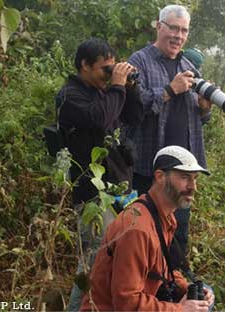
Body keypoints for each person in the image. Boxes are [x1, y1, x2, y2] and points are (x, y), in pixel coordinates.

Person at [56, 38, 143, 311]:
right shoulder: (71, 95)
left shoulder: (103, 92)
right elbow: (100, 120)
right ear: (84, 65)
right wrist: (116, 85)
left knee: (119, 257)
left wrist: (129, 87)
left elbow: (134, 117)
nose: (109, 74)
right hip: (93, 196)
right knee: (94, 261)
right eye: (105, 69)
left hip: (119, 189)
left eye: (112, 68)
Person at [127, 4, 212, 263]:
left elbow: (199, 118)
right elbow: (132, 108)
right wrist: (169, 90)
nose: (178, 35)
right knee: (143, 228)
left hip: (184, 168)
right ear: (159, 26)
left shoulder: (189, 67)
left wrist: (205, 108)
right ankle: (143, 281)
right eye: (173, 28)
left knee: (178, 229)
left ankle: (175, 280)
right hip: (148, 166)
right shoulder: (138, 61)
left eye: (184, 30)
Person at [82, 145, 215, 311]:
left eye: (195, 178)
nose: (192, 187)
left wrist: (185, 287)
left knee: (206, 293)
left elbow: (159, 269)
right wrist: (180, 309)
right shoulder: (137, 229)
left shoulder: (162, 215)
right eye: (184, 177)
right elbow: (126, 303)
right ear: (160, 176)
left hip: (144, 298)